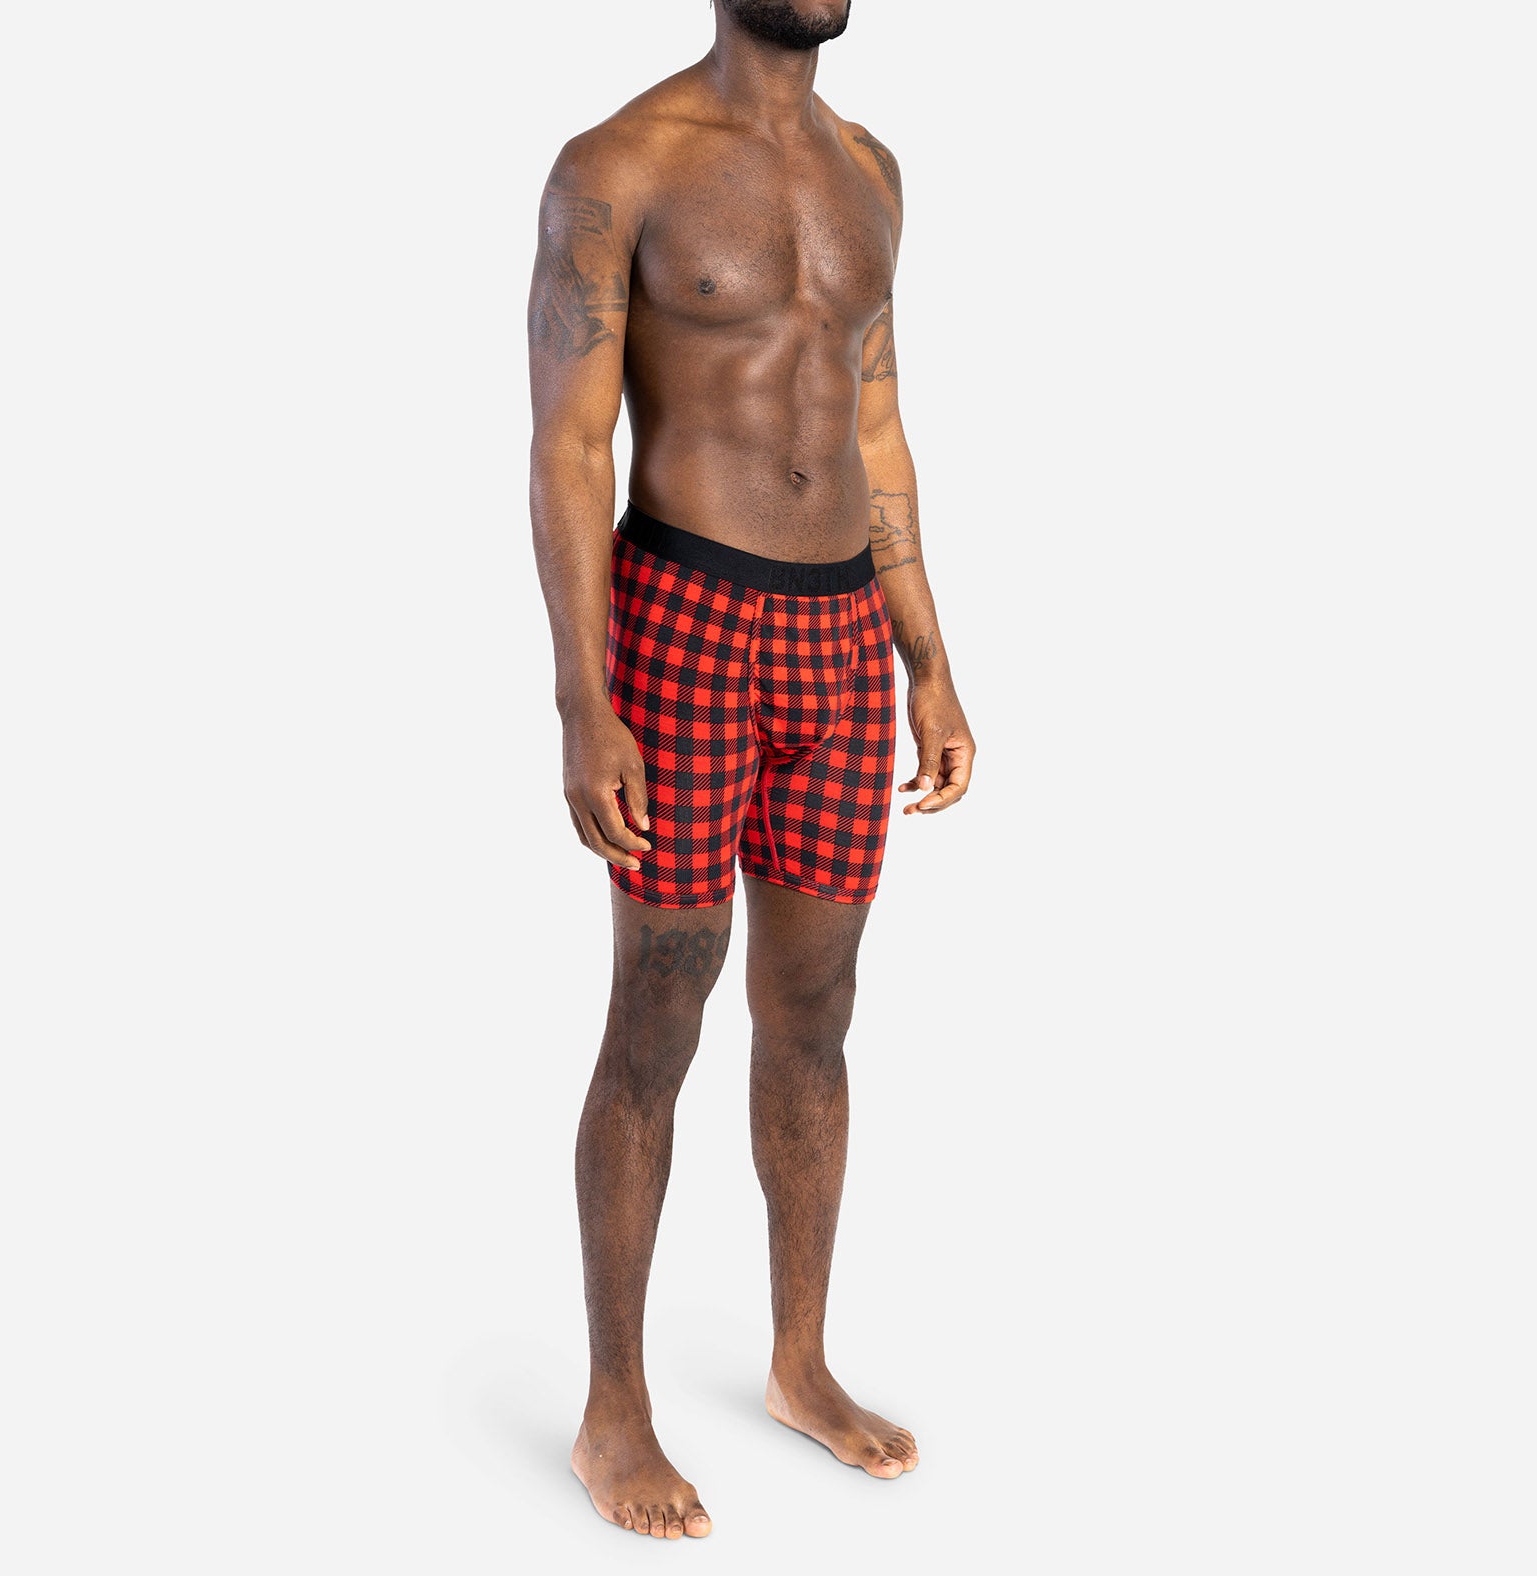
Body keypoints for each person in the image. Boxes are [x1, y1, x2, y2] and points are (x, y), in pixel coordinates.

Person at [528, 0, 974, 1541]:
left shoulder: (874, 171)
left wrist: (928, 656)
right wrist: (582, 695)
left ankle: (799, 1364)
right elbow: (569, 442)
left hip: (840, 632)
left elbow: (879, 421)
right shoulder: (620, 166)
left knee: (818, 1011)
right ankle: (613, 1410)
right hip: (686, 618)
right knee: (659, 1005)